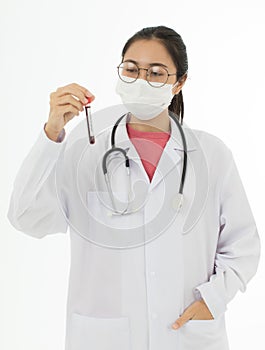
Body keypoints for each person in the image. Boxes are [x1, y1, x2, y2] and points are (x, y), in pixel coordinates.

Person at [8, 25, 260, 350]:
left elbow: (243, 245)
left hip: (187, 334)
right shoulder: (86, 149)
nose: (141, 81)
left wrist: (213, 299)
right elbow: (26, 217)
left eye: (156, 73)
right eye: (131, 69)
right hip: (105, 337)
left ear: (179, 82)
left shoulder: (211, 155)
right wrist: (51, 132)